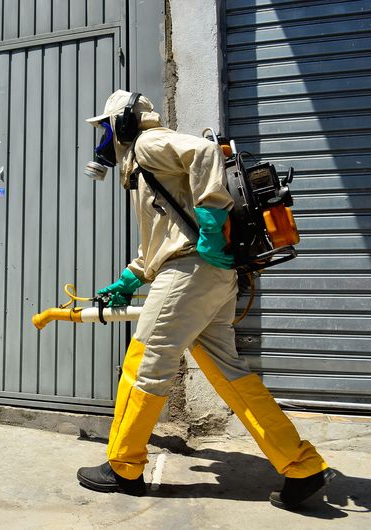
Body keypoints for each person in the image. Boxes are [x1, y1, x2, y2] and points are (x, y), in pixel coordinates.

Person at [76, 90, 335, 509]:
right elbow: (158, 242)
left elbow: (204, 152)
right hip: (212, 275)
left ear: (122, 123)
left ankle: (123, 466)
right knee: (230, 373)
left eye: (105, 128)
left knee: (145, 364)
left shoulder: (148, 142)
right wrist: (129, 279)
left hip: (191, 271)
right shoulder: (144, 169)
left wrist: (213, 222)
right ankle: (301, 465)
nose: (104, 138)